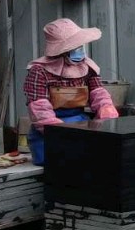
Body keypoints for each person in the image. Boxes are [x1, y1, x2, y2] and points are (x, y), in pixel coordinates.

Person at [23, 18, 119, 165]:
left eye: (80, 46)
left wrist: (107, 115)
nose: (80, 50)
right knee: (57, 160)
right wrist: (61, 132)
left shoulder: (87, 67)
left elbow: (99, 93)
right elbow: (39, 108)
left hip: (82, 124)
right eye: (76, 47)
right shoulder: (39, 71)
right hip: (48, 130)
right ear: (63, 50)